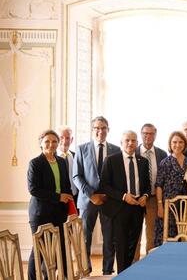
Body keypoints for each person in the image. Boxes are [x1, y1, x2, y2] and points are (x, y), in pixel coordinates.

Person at [72, 116, 120, 275]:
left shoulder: (116, 150)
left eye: (104, 128)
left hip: (109, 201)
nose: (101, 131)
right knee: (85, 238)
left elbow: (117, 178)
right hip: (87, 201)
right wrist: (91, 195)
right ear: (92, 130)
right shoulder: (81, 149)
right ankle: (86, 270)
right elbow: (77, 176)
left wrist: (108, 195)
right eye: (97, 128)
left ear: (108, 130)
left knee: (110, 239)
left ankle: (107, 271)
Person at [99, 131, 150, 273]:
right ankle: (122, 273)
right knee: (121, 245)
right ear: (121, 142)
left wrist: (145, 196)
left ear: (137, 142)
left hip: (137, 208)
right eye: (127, 140)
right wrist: (123, 196)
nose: (130, 143)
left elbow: (146, 185)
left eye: (133, 140)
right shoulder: (111, 160)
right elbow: (104, 186)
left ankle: (128, 273)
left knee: (132, 245)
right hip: (119, 208)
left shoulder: (143, 162)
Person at [27, 129, 73, 280]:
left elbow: (66, 185)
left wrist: (69, 206)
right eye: (47, 141)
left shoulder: (61, 161)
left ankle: (57, 277)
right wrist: (58, 197)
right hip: (40, 213)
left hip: (59, 212)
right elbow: (33, 189)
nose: (51, 144)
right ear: (41, 143)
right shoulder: (35, 163)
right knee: (39, 249)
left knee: (58, 248)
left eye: (54, 141)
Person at [154, 131, 187, 247]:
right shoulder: (165, 162)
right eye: (174, 142)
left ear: (184, 144)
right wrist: (160, 205)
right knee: (167, 236)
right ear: (170, 144)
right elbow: (159, 185)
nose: (177, 145)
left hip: (186, 205)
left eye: (180, 142)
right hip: (168, 205)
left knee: (183, 234)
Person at [135, 123, 167, 257]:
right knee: (135, 233)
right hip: (136, 199)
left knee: (152, 234)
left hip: (154, 198)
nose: (148, 136)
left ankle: (149, 262)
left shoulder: (162, 154)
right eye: (145, 133)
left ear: (155, 135)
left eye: (151, 133)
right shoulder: (132, 151)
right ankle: (134, 264)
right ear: (141, 134)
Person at [56, 125, 77, 208]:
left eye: (67, 138)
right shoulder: (52, 157)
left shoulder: (77, 156)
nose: (64, 141)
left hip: (75, 198)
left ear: (71, 140)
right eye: (61, 137)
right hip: (58, 199)